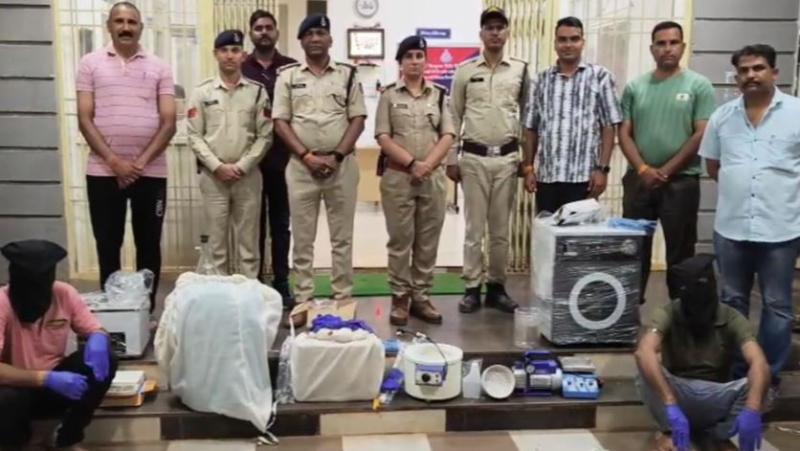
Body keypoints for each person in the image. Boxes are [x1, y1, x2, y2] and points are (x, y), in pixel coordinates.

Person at [699, 44, 800, 386]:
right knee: (732, 302)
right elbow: (714, 166)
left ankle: (766, 377)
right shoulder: (722, 117)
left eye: (758, 68)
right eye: (744, 70)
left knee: (777, 305)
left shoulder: (796, 113)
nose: (750, 75)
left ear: (774, 73)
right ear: (736, 77)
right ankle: (736, 374)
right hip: (732, 229)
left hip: (781, 229)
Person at [76, 1, 176, 312]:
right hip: (102, 172)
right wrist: (114, 162)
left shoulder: (160, 67)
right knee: (108, 244)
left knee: (149, 245)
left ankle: (145, 312)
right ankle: (113, 313)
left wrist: (138, 164)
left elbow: (169, 122)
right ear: (109, 26)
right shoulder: (90, 63)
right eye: (119, 21)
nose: (125, 27)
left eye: (132, 22)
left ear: (141, 28)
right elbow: (84, 119)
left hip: (151, 173)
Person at [272, 14, 367, 327]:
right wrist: (306, 156)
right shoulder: (287, 76)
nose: (315, 38)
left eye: (320, 33)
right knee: (302, 239)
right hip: (301, 168)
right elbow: (280, 122)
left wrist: (337, 156)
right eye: (309, 33)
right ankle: (303, 301)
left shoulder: (348, 75)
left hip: (342, 167)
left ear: (330, 39)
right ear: (301, 40)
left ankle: (343, 299)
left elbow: (357, 119)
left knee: (342, 238)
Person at [618, 21, 716, 303]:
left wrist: (666, 171)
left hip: (681, 182)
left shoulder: (699, 85)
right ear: (652, 49)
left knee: (680, 254)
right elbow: (624, 133)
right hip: (639, 181)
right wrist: (643, 169)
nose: (667, 48)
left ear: (683, 47)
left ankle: (679, 314)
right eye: (661, 43)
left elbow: (701, 133)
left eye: (673, 43)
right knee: (633, 249)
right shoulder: (635, 87)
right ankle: (629, 313)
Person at [635, 254, 769, 451]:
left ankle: (722, 435)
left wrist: (753, 408)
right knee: (644, 368)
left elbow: (758, 361)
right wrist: (670, 402)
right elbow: (644, 351)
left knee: (761, 381)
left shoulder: (731, 317)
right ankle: (670, 430)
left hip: (717, 394)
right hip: (677, 391)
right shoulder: (669, 312)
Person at [448, 6, 529, 314]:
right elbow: (454, 115)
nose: (495, 32)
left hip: (507, 160)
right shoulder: (465, 71)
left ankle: (496, 286)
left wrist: (526, 160)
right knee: (473, 229)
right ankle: (472, 287)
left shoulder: (520, 70)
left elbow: (528, 117)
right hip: (473, 159)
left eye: (500, 27)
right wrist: (451, 158)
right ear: (481, 33)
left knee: (500, 231)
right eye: (489, 28)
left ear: (507, 32)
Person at [0, 240, 118, 450]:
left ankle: (66, 438)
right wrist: (44, 378)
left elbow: (95, 329)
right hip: (16, 388)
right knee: (6, 398)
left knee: (106, 358)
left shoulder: (64, 293)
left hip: (58, 386)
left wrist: (99, 338)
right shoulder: (2, 302)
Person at [375, 36, 456, 326]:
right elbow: (383, 136)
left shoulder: (439, 95)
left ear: (426, 60)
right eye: (408, 56)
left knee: (428, 241)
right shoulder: (388, 95)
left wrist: (427, 165)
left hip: (432, 178)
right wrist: (413, 164)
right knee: (400, 241)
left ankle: (421, 296)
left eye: (419, 56)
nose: (414, 61)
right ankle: (400, 297)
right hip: (399, 177)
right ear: (400, 62)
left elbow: (448, 134)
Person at [186, 30, 272, 279]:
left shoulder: (257, 92)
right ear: (216, 54)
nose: (230, 56)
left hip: (248, 176)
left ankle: (249, 293)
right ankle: (219, 295)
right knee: (216, 244)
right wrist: (217, 166)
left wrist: (243, 166)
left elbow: (265, 135)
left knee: (248, 244)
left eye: (235, 50)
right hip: (213, 177)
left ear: (243, 55)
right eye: (224, 50)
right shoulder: (202, 92)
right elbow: (194, 135)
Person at [523, 16, 622, 213]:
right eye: (562, 39)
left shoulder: (600, 77)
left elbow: (609, 127)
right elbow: (531, 128)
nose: (568, 45)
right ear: (555, 43)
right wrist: (528, 169)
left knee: (579, 232)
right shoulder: (540, 80)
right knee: (547, 230)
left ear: (583, 42)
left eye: (574, 39)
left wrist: (602, 169)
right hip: (547, 178)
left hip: (584, 179)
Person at [243, 10, 298, 306]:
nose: (263, 32)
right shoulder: (241, 67)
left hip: (283, 158)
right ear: (251, 33)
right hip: (249, 160)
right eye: (258, 28)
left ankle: (281, 280)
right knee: (252, 224)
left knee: (281, 224)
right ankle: (254, 282)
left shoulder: (290, 68)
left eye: (268, 27)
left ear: (276, 32)